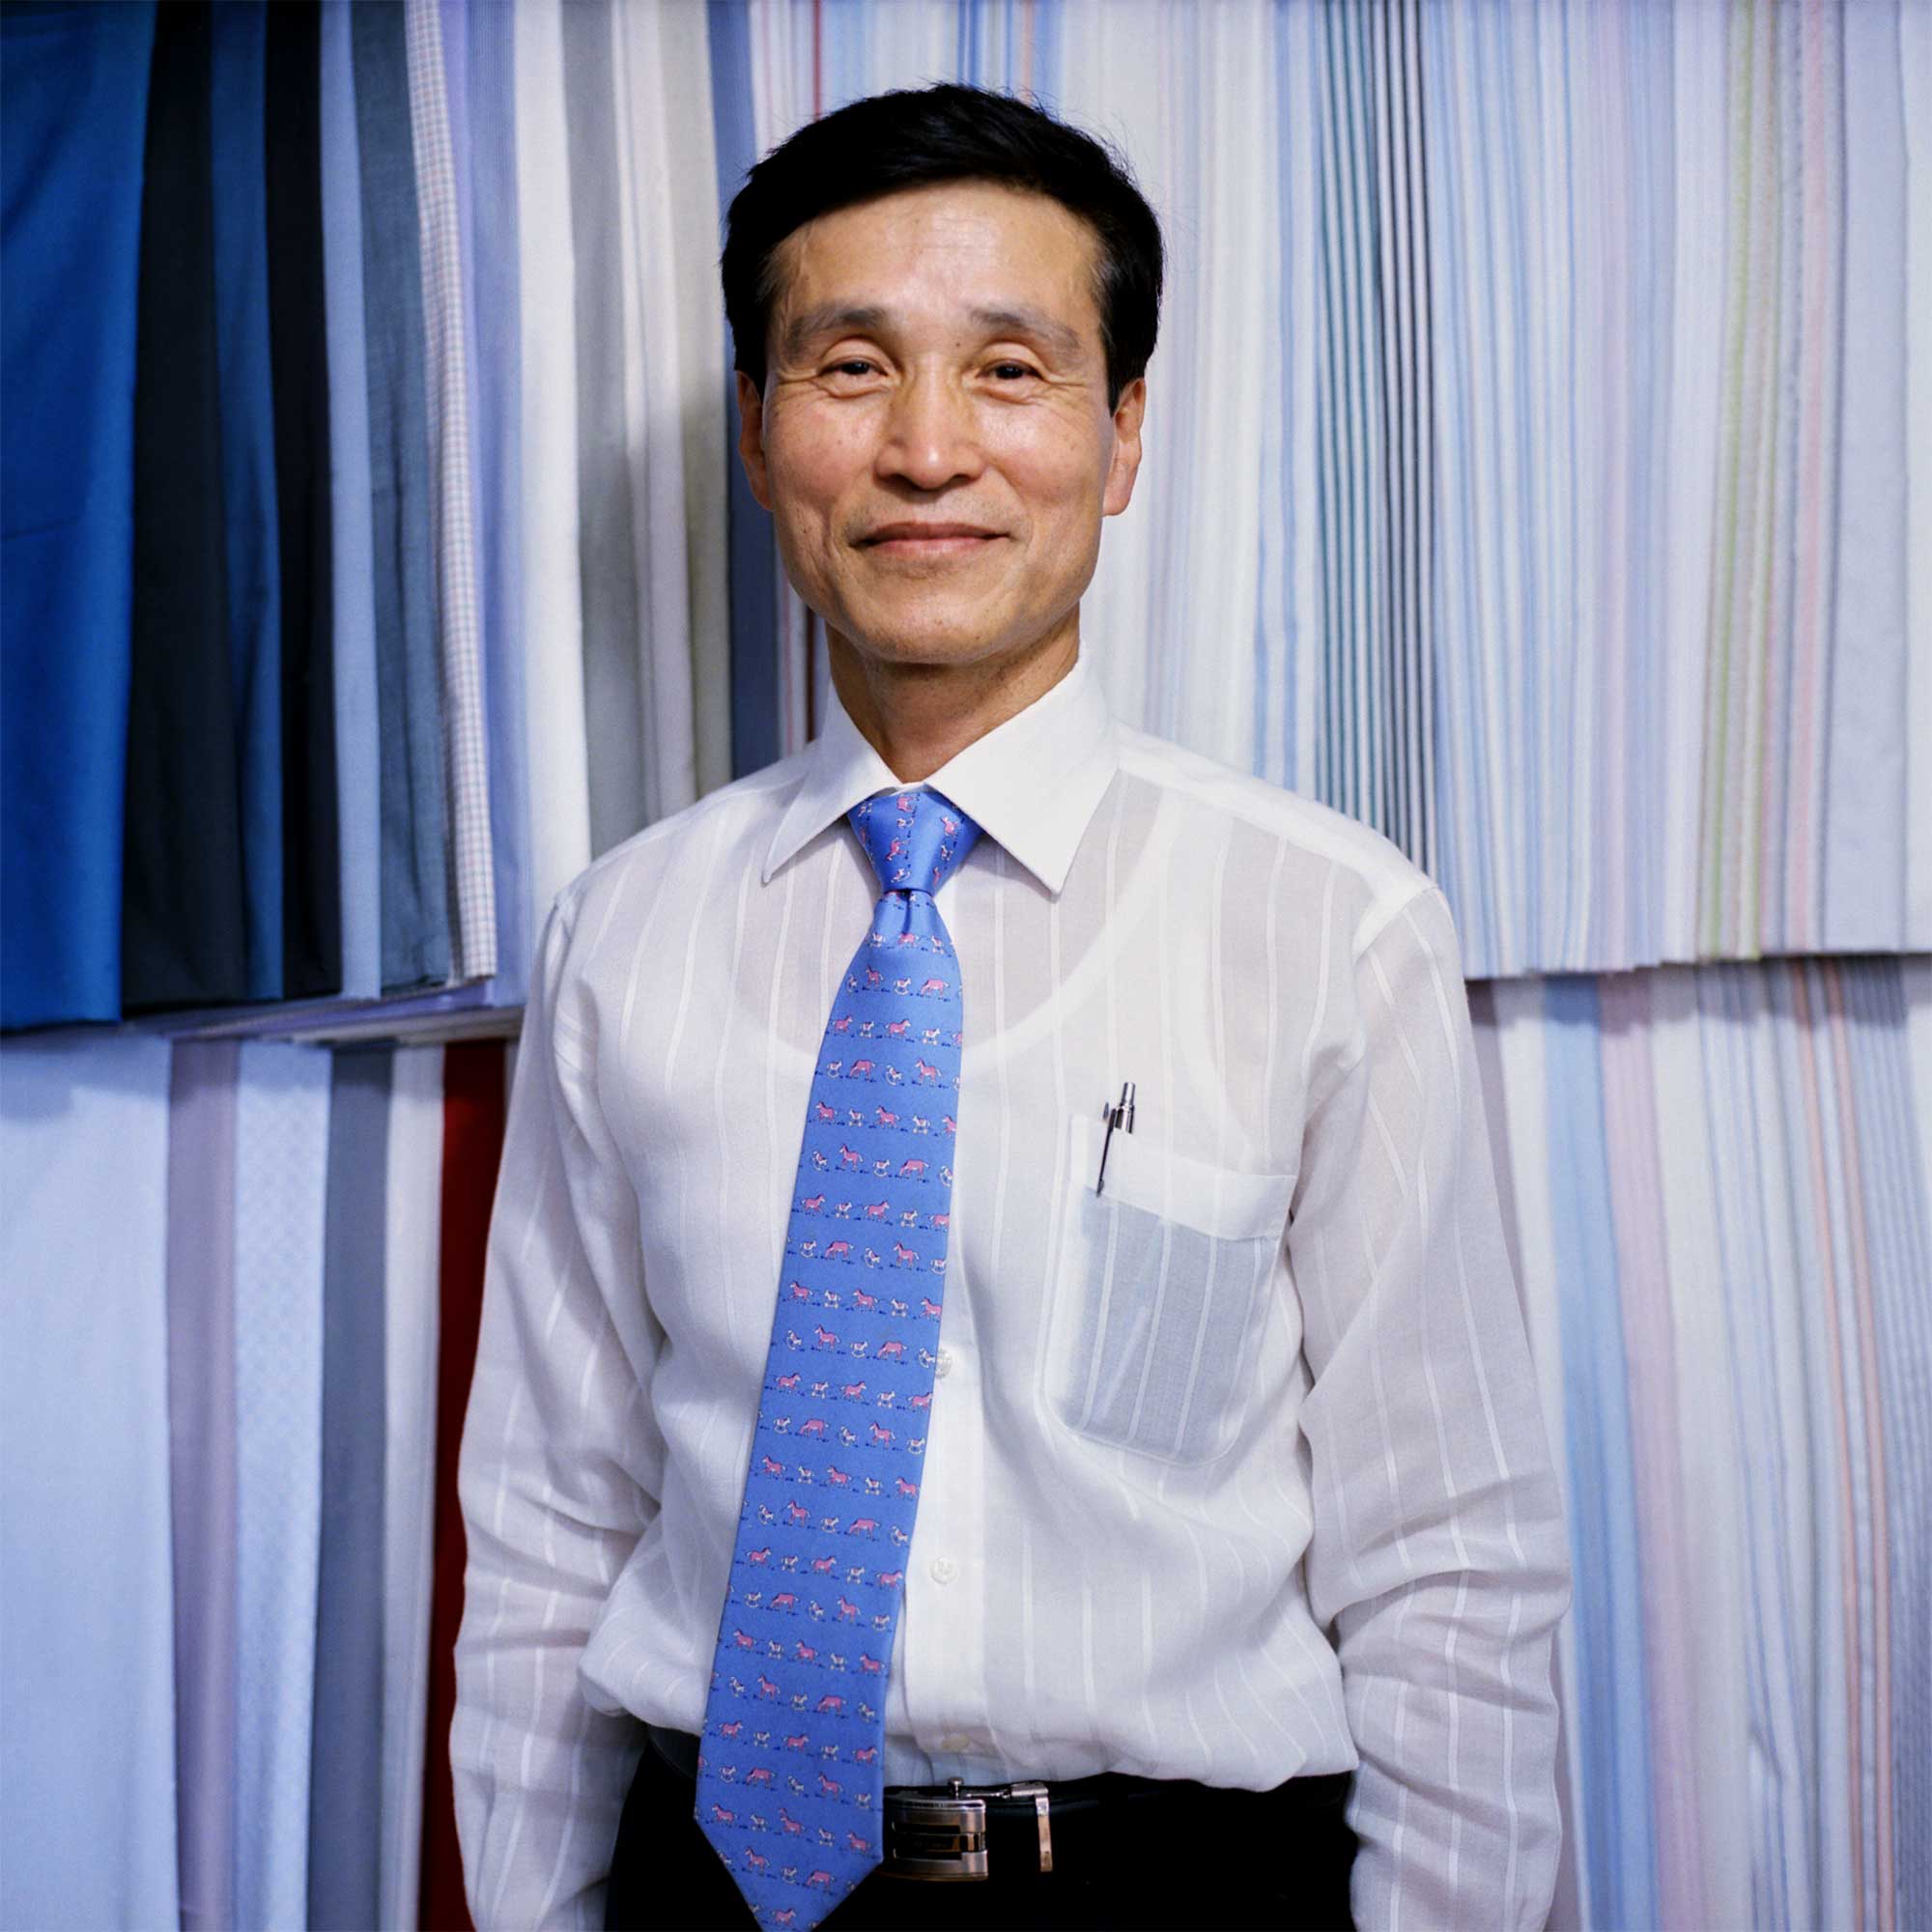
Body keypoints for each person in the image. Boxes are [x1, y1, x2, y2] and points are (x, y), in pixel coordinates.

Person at [451, 81, 1571, 1932]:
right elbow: (553, 1531)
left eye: (1012, 371)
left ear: (1122, 436)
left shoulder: (1328, 926)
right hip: (708, 1883)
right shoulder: (620, 937)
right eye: (850, 367)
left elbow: (1451, 1566)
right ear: (754, 431)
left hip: (1183, 1883)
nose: (926, 449)